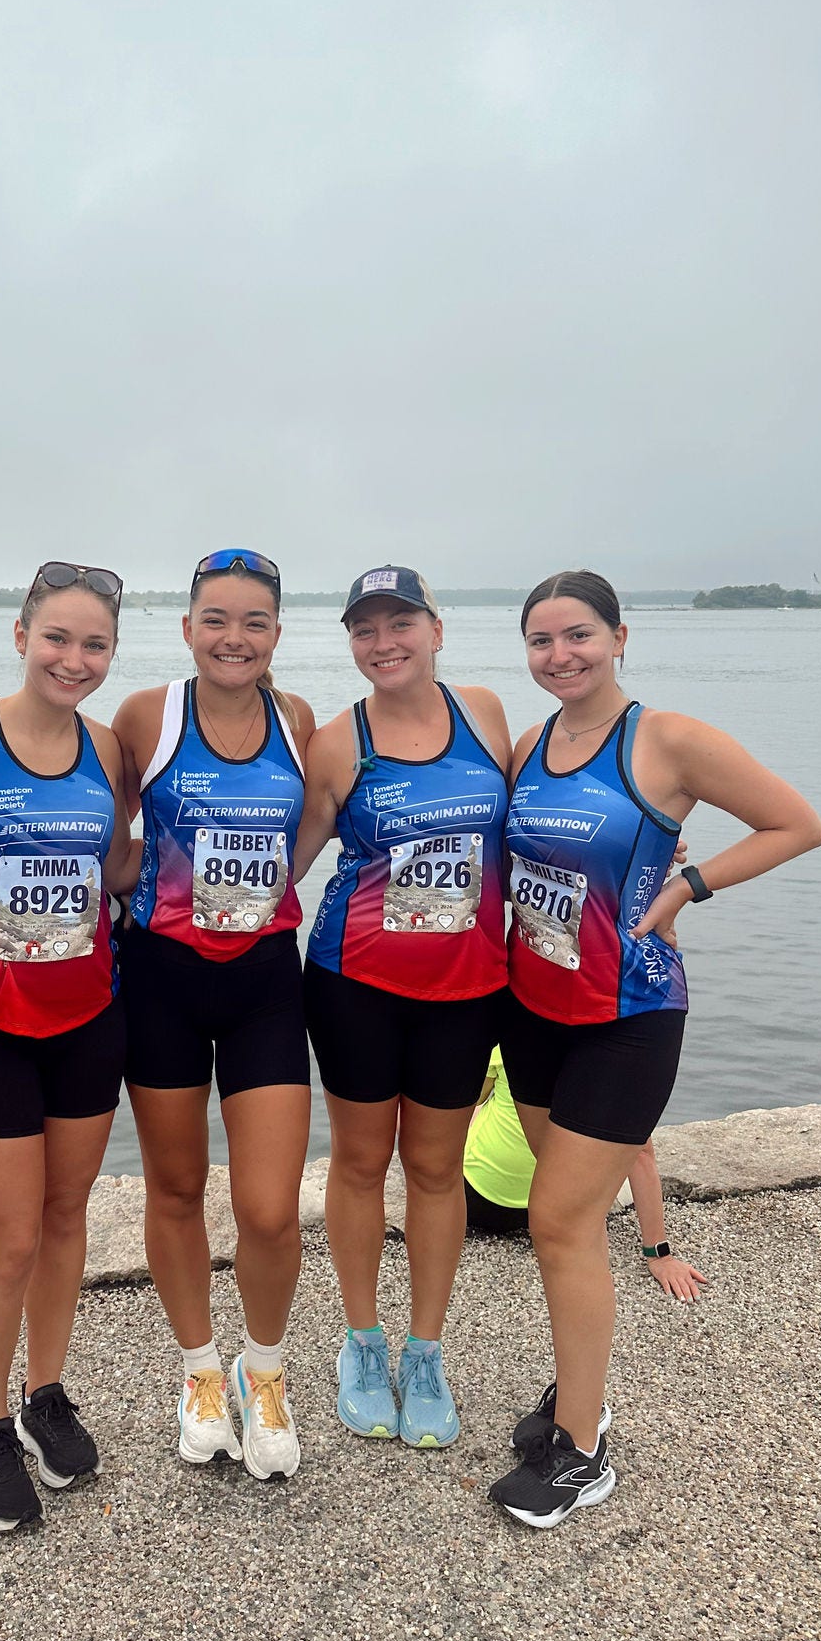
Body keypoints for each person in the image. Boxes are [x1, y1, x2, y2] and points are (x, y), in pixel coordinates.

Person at [489, 568, 821, 1529]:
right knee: (570, 1223)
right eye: (542, 640)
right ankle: (575, 1394)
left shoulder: (668, 740)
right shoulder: (532, 744)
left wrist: (686, 888)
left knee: (558, 1222)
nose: (561, 656)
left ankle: (584, 1453)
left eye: (579, 635)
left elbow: (797, 824)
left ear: (619, 637)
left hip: (627, 1016)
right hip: (533, 1009)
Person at [0, 562, 135, 1534]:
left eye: (95, 644)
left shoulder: (107, 747)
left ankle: (45, 1394)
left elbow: (115, 863)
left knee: (66, 1215)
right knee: (5, 1240)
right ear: (19, 636)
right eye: (58, 638)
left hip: (88, 1018)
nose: (74, 660)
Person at [296, 566, 511, 1449]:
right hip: (356, 984)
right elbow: (289, 858)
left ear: (436, 630)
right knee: (358, 1164)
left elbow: (530, 829)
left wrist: (655, 860)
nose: (383, 643)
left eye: (400, 624)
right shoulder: (338, 742)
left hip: (468, 988)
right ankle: (361, 1341)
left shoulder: (486, 716)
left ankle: (425, 1352)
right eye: (365, 630)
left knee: (435, 1168)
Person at [112, 550, 315, 1479]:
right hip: (161, 977)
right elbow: (97, 830)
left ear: (276, 633)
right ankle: (200, 1372)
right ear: (188, 628)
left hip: (265, 977)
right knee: (178, 1188)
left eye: (255, 622)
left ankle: (263, 1371)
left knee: (270, 1210)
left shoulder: (298, 721)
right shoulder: (146, 718)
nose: (235, 638)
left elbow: (320, 829)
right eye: (217, 620)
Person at [466, 1049, 710, 1302]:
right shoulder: (603, 1054)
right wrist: (660, 1257)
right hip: (564, 1211)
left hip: (478, 1199)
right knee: (616, 1148)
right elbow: (640, 1154)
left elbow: (473, 1098)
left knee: (480, 1110)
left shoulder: (507, 1041)